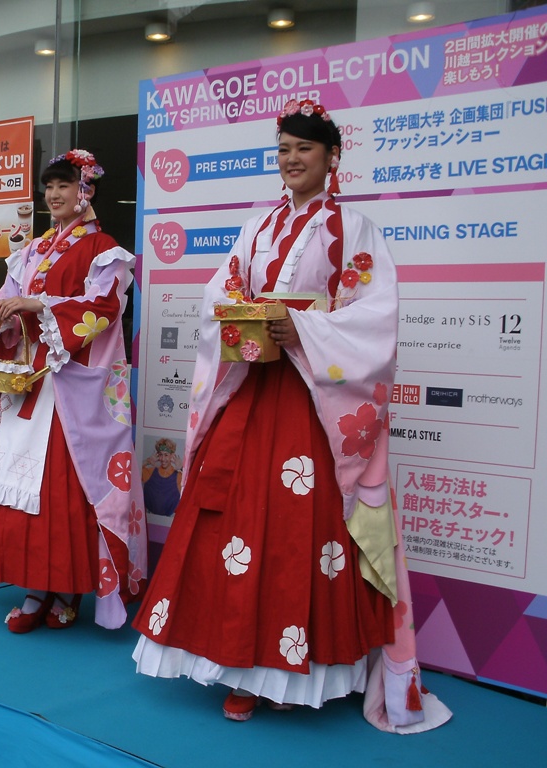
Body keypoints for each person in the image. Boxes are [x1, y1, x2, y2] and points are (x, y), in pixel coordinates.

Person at [132, 100, 452, 732]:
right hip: (252, 391)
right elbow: (218, 294)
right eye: (283, 149)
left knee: (297, 533)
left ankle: (290, 671)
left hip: (309, 402)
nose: (292, 160)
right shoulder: (257, 226)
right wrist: (243, 314)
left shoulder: (354, 230)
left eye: (304, 148)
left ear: (332, 157)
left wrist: (299, 326)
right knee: (233, 523)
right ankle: (232, 665)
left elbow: (374, 319)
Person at [0, 149, 148, 632]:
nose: (54, 195)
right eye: (49, 187)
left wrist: (38, 306)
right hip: (26, 383)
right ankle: (35, 586)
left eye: (64, 185)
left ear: (88, 191)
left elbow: (103, 308)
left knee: (63, 487)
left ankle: (64, 588)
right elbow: (6, 300)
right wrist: (5, 316)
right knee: (18, 485)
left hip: (68, 387)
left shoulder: (103, 248)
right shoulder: (34, 249)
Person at [142, 437, 182, 517]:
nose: (163, 459)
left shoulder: (179, 476)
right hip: (150, 518)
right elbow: (132, 472)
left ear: (172, 456)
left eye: (166, 455)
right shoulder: (150, 472)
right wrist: (147, 461)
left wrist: (182, 467)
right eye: (160, 455)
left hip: (169, 520)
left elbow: (195, 485)